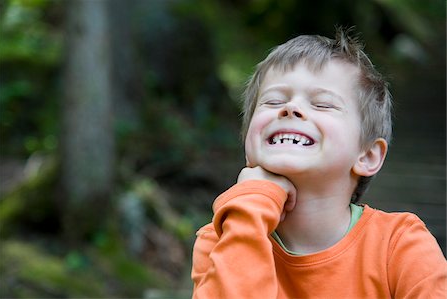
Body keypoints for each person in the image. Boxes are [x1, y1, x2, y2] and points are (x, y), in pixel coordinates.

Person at [191, 28, 446, 298]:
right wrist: (251, 206)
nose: (289, 108)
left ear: (367, 155)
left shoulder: (399, 245)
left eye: (322, 104)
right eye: (273, 101)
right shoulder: (222, 237)